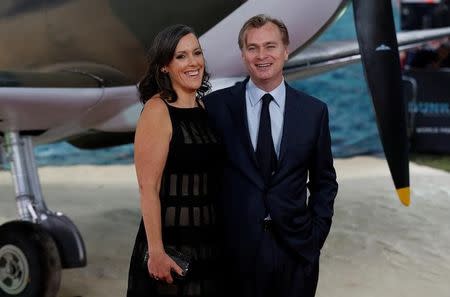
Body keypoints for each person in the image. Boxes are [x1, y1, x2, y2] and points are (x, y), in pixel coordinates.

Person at [204, 14, 338, 297]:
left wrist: (314, 237)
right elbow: (206, 177)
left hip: (296, 251)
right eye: (252, 47)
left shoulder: (314, 112)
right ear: (242, 54)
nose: (261, 55)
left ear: (286, 50)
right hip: (234, 254)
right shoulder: (216, 107)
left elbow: (324, 181)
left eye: (270, 46)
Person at [127, 24, 223, 297]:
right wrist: (155, 251)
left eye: (196, 53)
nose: (193, 62)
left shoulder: (204, 109)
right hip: (171, 247)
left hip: (209, 244)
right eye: (181, 56)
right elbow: (149, 188)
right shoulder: (157, 110)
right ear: (164, 67)